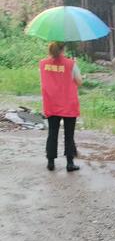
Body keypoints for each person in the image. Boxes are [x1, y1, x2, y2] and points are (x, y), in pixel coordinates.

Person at [40, 42, 83, 172]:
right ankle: (70, 163)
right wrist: (74, 64)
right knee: (69, 135)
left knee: (52, 133)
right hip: (68, 104)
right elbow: (79, 82)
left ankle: (51, 162)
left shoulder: (43, 64)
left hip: (51, 103)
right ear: (63, 49)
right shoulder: (70, 64)